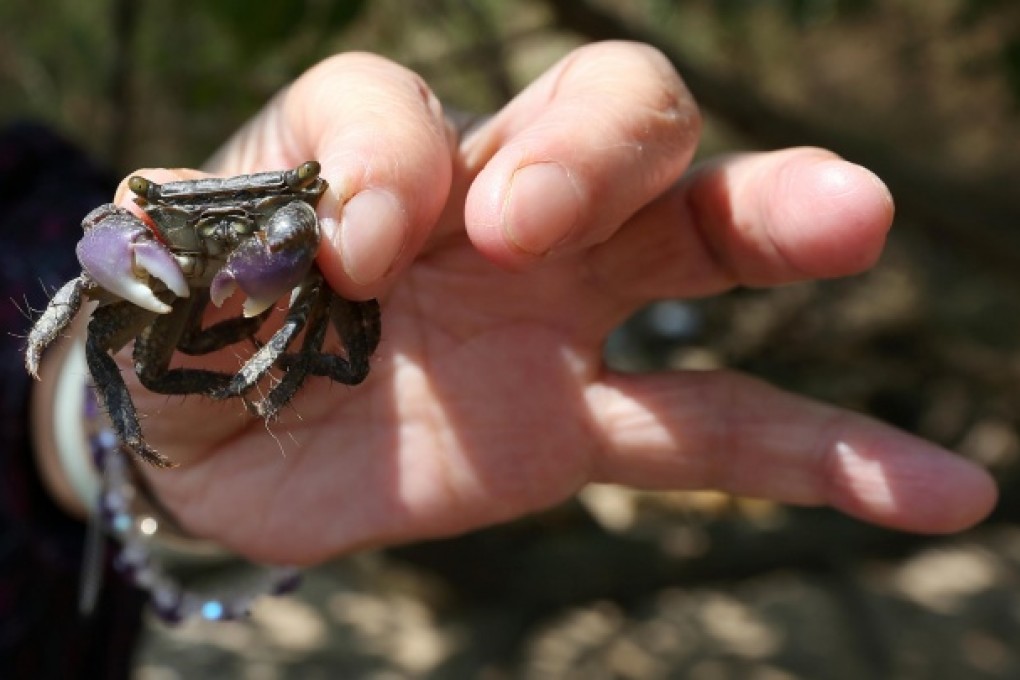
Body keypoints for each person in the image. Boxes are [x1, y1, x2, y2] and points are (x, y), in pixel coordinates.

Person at [11, 41, 997, 676]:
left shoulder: (29, 177)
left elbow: (48, 349)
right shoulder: (123, 246)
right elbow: (88, 280)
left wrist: (106, 440)